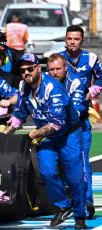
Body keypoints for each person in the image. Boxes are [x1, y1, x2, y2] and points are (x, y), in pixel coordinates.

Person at [3, 53, 86, 229]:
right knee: (47, 171)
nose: (26, 73)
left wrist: (30, 136)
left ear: (38, 68)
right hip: (47, 137)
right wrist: (4, 136)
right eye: (23, 70)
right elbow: (19, 114)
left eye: (30, 69)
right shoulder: (23, 87)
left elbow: (56, 124)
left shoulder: (53, 87)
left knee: (75, 177)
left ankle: (80, 217)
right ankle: (63, 206)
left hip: (68, 134)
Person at [47, 53, 95, 220]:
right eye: (51, 69)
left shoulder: (76, 82)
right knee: (49, 167)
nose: (54, 73)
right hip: (53, 131)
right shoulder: (45, 82)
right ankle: (63, 204)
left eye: (58, 69)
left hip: (77, 128)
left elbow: (75, 110)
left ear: (65, 67)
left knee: (81, 165)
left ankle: (86, 202)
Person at [60, 25, 102, 105]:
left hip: (84, 105)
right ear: (65, 40)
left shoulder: (91, 58)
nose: (72, 42)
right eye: (69, 39)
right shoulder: (58, 58)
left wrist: (90, 93)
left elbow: (101, 78)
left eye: (76, 39)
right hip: (62, 106)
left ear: (82, 41)